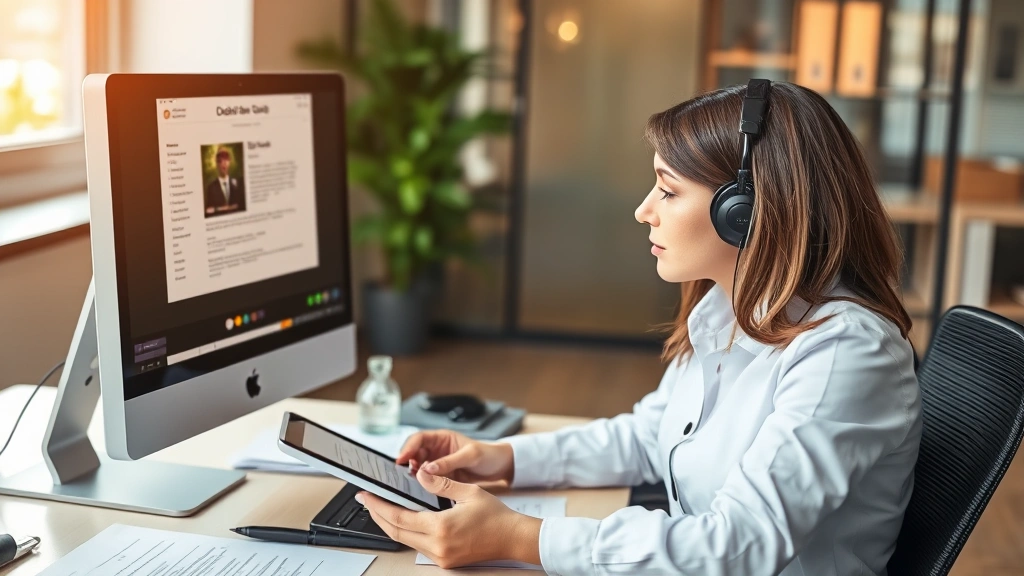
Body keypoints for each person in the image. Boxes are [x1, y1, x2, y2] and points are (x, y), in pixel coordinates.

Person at [355, 80, 922, 576]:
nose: (644, 210)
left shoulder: (845, 351)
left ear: (745, 211)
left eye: (669, 190)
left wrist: (522, 538)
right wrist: (501, 457)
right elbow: (650, 436)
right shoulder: (727, 310)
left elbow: (739, 548)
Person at [204, 147, 246, 215]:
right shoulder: (211, 188)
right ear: (217, 164)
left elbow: (242, 207)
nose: (224, 163)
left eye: (226, 160)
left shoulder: (238, 184)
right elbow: (208, 211)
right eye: (220, 160)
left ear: (230, 162)